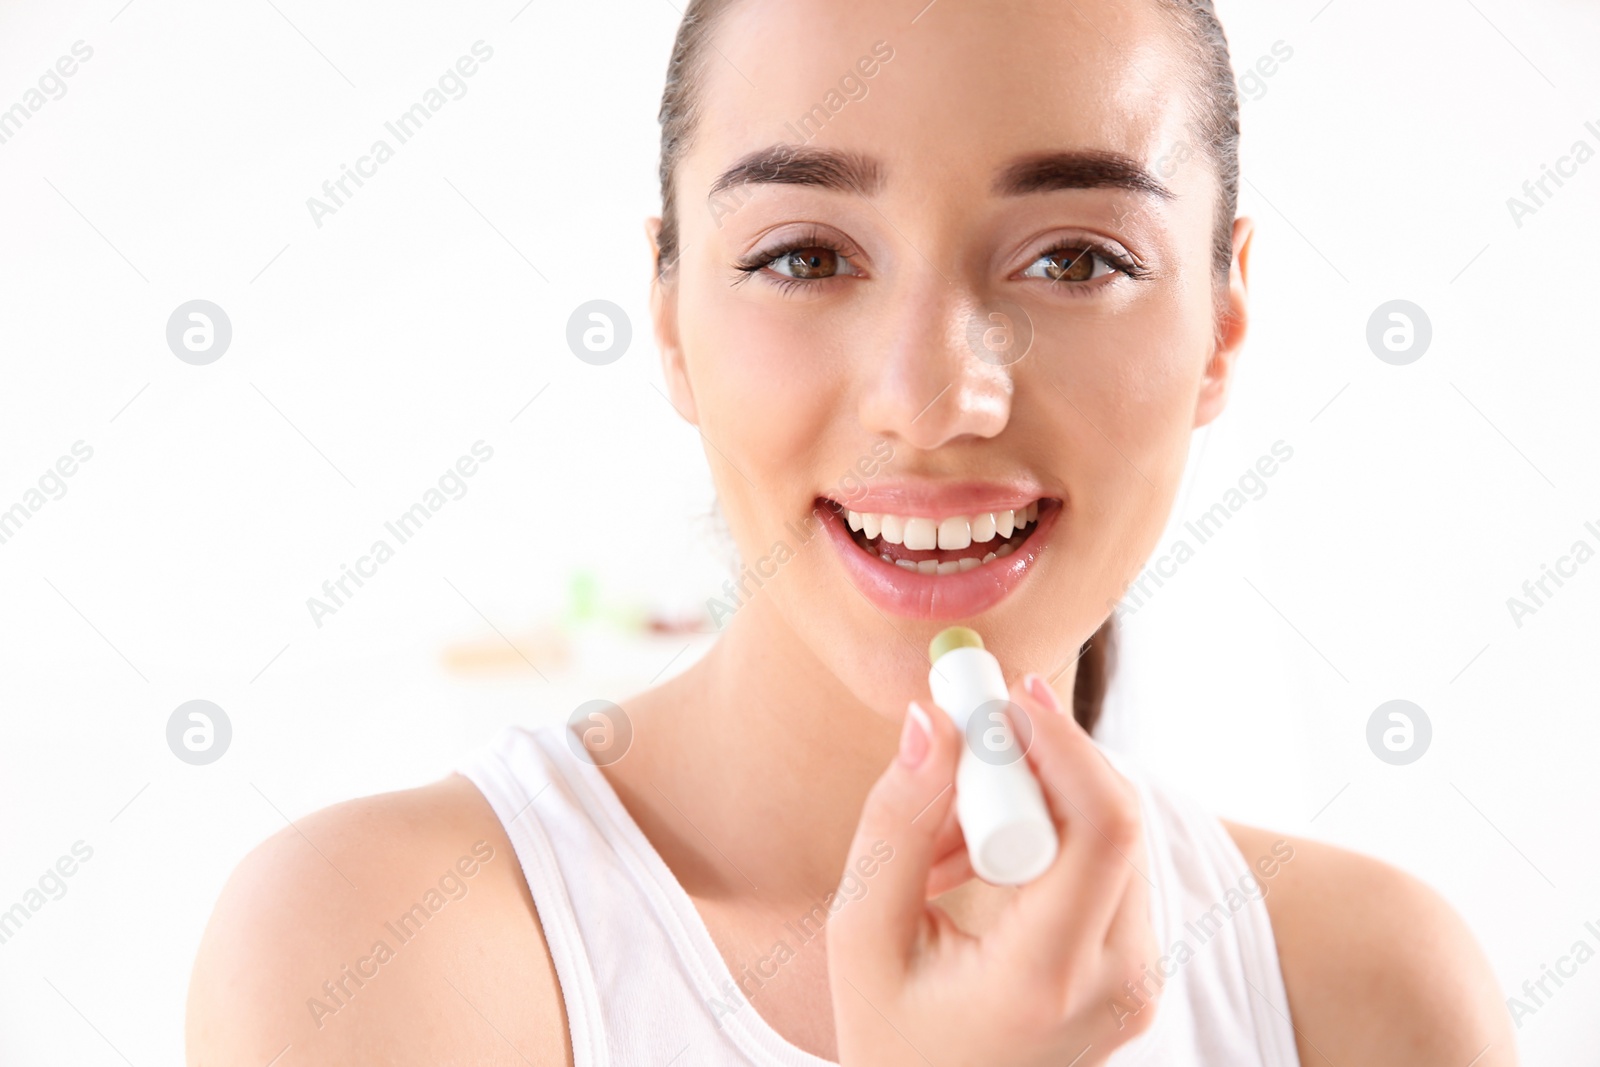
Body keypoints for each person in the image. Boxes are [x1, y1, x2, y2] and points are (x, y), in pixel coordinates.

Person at [188, 1, 1515, 1062]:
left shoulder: (1368, 994)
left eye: (1075, 260)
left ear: (1224, 325)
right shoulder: (376, 950)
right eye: (805, 257)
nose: (934, 399)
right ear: (667, 320)